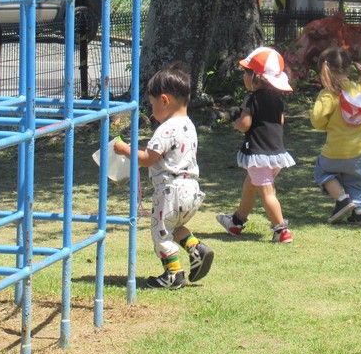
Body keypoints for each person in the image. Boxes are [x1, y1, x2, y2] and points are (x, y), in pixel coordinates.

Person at [113, 64, 213, 290]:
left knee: (160, 233)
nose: (151, 110)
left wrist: (124, 149)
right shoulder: (188, 126)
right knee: (173, 227)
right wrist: (137, 150)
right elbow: (162, 155)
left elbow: (148, 159)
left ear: (164, 100)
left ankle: (173, 274)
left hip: (170, 191)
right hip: (190, 190)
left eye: (152, 104)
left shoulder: (166, 129)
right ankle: (196, 248)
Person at [216, 47, 296, 243]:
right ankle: (236, 222)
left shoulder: (251, 98)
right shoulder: (277, 98)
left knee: (267, 193)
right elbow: (281, 121)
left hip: (259, 155)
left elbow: (245, 125)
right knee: (250, 187)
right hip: (276, 154)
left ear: (255, 77)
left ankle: (281, 230)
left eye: (246, 72)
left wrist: (235, 123)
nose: (243, 76)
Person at [310, 46, 361, 225]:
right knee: (356, 182)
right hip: (359, 150)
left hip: (335, 149)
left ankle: (342, 199)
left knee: (322, 172)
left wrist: (326, 125)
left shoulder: (329, 93)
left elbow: (317, 120)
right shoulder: (359, 90)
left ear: (324, 70)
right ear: (348, 68)